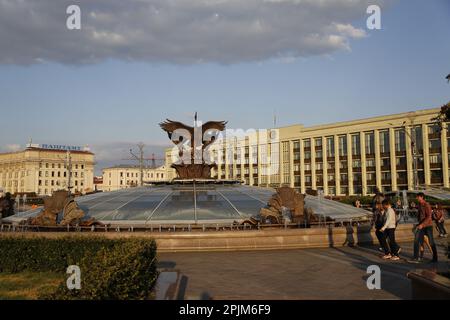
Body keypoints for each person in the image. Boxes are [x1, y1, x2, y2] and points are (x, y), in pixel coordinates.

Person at [411, 193, 438, 263]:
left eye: (418, 197)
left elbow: (429, 217)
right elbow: (420, 216)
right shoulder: (419, 205)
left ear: (422, 197)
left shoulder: (427, 205)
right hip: (421, 225)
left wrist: (422, 225)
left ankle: (435, 258)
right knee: (417, 240)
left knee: (431, 241)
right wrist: (418, 224)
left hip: (428, 226)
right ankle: (416, 257)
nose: (416, 198)